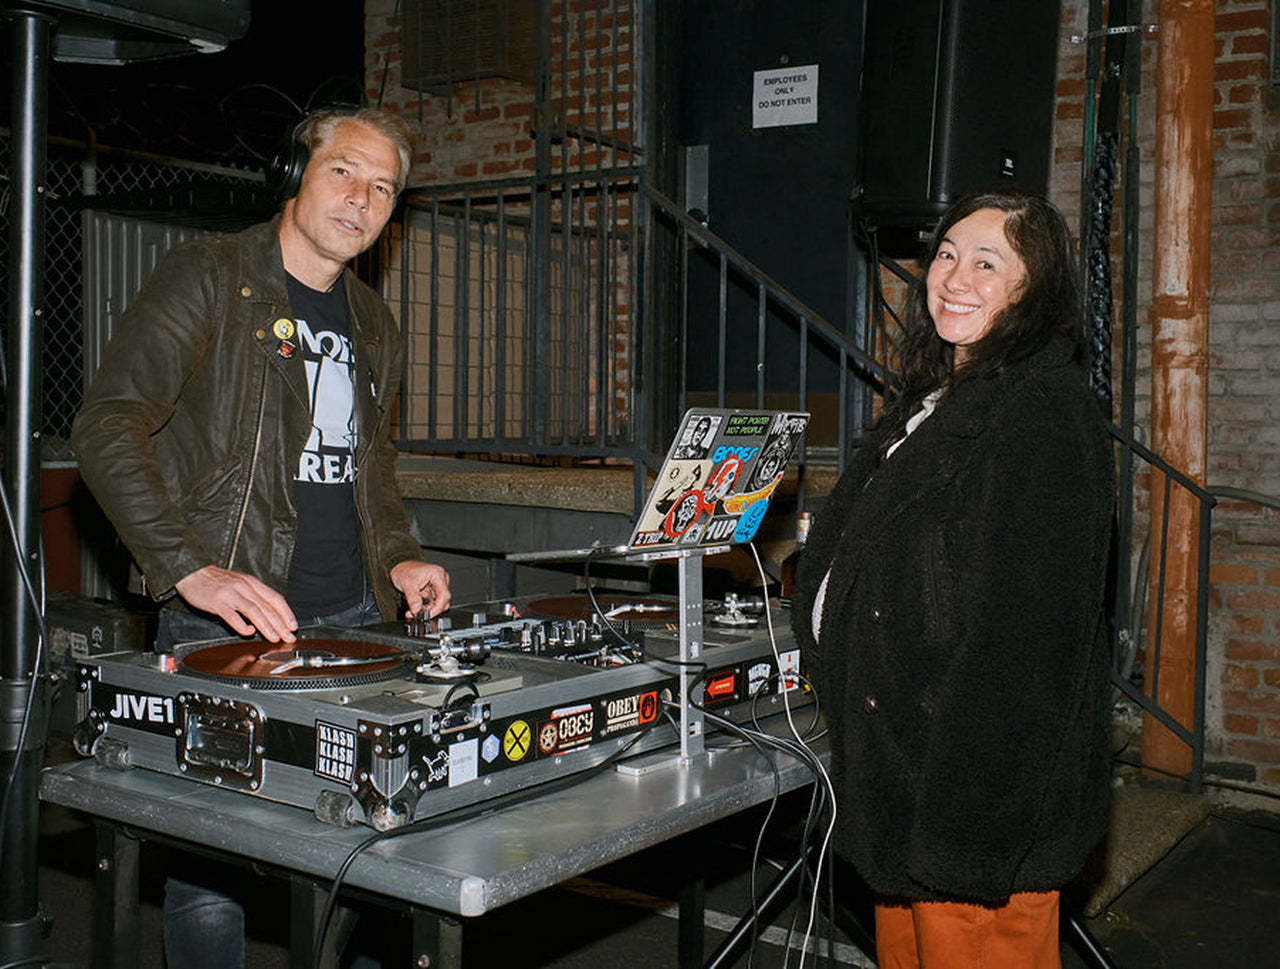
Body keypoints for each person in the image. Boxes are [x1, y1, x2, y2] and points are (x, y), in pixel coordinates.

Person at [71, 107, 451, 969]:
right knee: (213, 867)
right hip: (225, 624)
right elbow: (107, 424)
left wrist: (399, 554)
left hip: (353, 621)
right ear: (295, 174)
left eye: (384, 188)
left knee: (365, 854)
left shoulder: (374, 320)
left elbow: (371, 465)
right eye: (344, 171)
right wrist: (188, 568)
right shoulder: (211, 275)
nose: (362, 200)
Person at [791, 189, 1114, 969]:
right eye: (945, 253)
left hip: (969, 811)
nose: (954, 276)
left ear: (1031, 290)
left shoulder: (1044, 411)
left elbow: (1028, 648)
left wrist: (968, 833)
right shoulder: (941, 399)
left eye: (987, 262)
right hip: (904, 786)